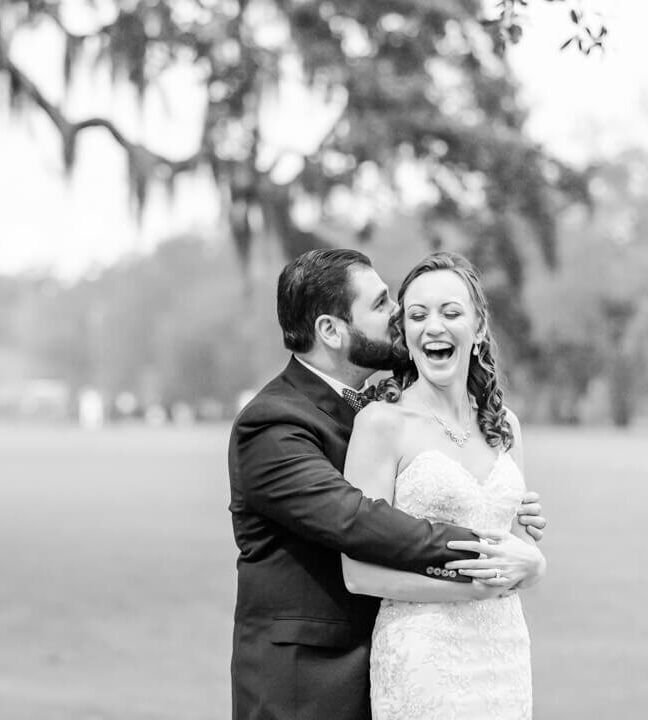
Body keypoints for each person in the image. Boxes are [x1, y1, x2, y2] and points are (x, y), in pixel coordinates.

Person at [228, 248, 547, 720]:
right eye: (383, 305)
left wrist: (510, 519)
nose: (400, 317)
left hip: (466, 657)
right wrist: (490, 555)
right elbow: (359, 520)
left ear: (479, 326)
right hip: (307, 682)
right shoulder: (274, 424)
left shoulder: (376, 406)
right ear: (331, 331)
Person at [342, 251, 546, 719]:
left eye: (451, 313)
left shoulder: (505, 426)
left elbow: (511, 552)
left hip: (503, 651)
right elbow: (358, 573)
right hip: (422, 658)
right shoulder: (381, 425)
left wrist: (530, 552)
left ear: (477, 330)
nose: (434, 326)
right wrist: (469, 590)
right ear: (407, 336)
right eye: (417, 315)